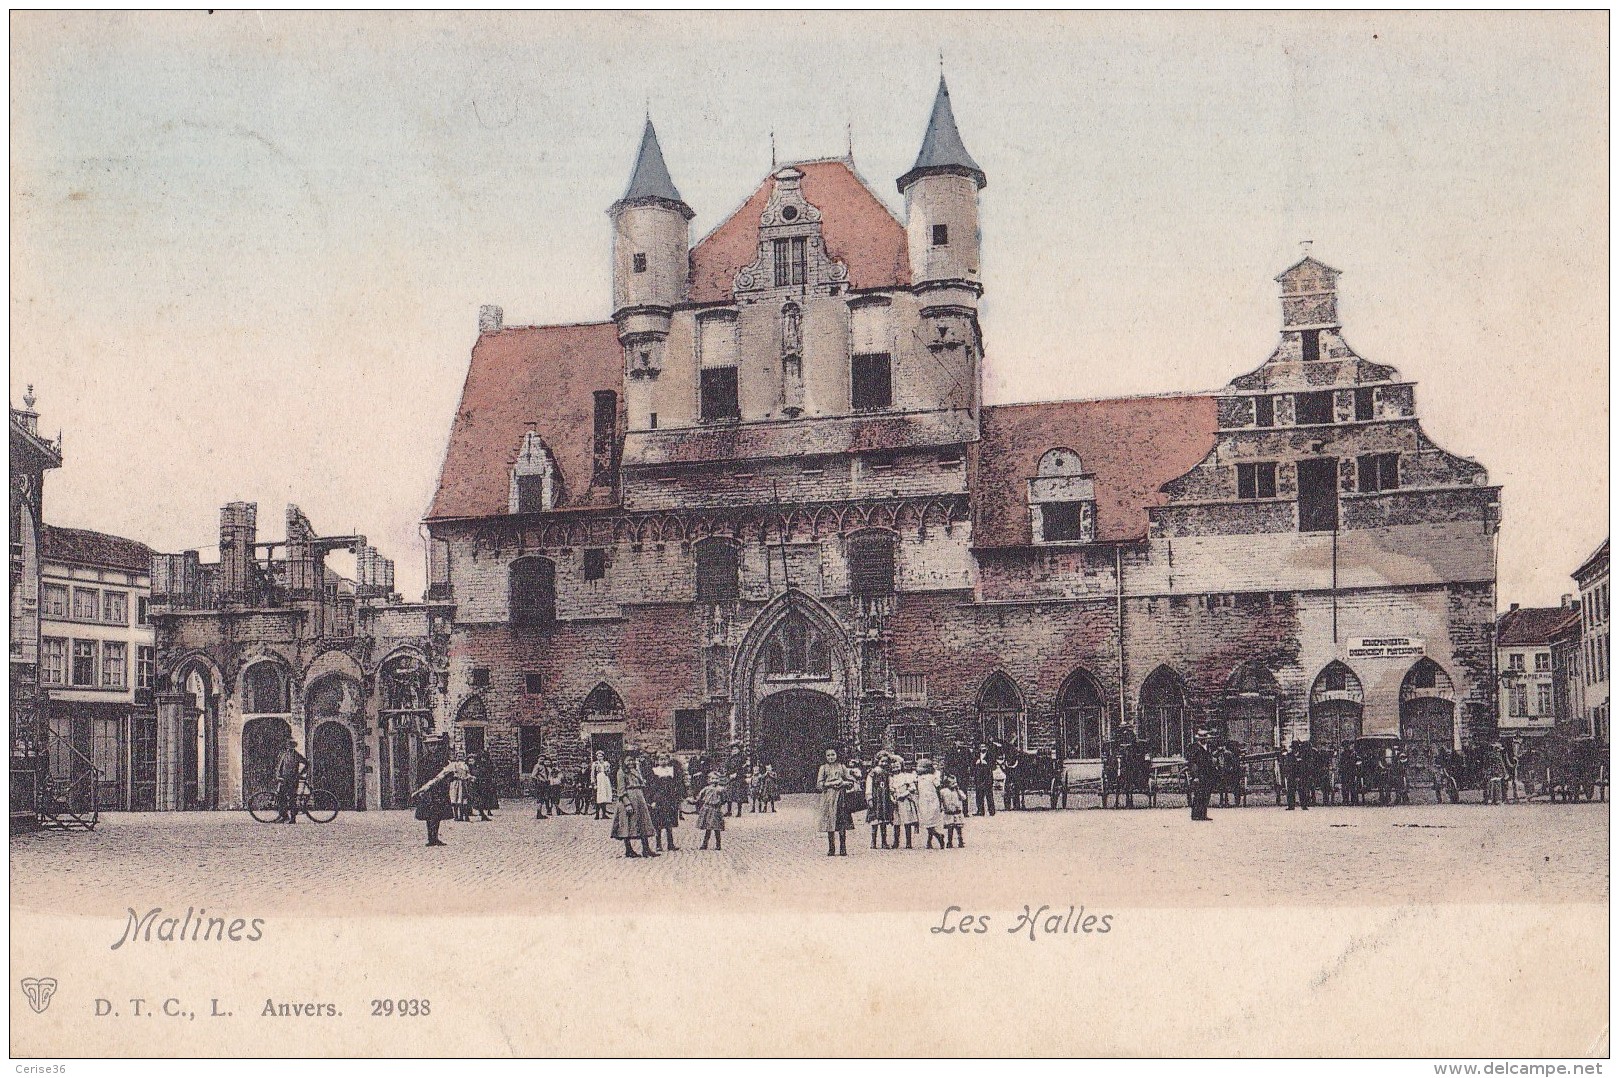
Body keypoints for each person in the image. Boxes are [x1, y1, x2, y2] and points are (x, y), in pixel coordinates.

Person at [611, 745, 659, 858]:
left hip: (639, 800)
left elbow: (642, 785)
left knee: (643, 824)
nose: (631, 762)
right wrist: (627, 804)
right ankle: (628, 850)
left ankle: (646, 849)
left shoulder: (636, 771)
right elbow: (621, 791)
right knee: (627, 825)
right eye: (628, 760)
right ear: (623, 761)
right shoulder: (621, 772)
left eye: (632, 760)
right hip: (628, 801)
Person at [412, 755, 462, 847]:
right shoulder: (423, 761)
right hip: (429, 791)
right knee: (429, 815)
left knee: (437, 815)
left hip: (439, 791)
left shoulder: (443, 760)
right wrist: (422, 788)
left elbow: (449, 775)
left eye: (435, 745)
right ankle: (431, 838)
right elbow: (420, 776)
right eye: (431, 745)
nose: (433, 747)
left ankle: (434, 837)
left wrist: (448, 778)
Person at [815, 748, 856, 856]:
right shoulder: (823, 768)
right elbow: (819, 785)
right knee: (830, 822)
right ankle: (831, 848)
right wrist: (830, 784)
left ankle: (843, 847)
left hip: (841, 797)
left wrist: (844, 782)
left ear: (837, 755)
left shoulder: (842, 767)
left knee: (841, 821)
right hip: (828, 798)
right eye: (828, 755)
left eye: (833, 754)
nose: (831, 757)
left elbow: (850, 781)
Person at [647, 751, 687, 853]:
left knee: (669, 823)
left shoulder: (671, 770)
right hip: (659, 799)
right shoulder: (654, 771)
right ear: (657, 761)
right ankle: (658, 844)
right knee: (659, 823)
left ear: (668, 760)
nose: (663, 761)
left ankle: (670, 844)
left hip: (670, 799)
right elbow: (652, 787)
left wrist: (678, 798)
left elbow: (676, 785)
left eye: (665, 759)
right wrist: (652, 800)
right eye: (661, 759)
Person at [865, 753, 896, 849]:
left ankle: (884, 842)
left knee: (883, 821)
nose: (884, 763)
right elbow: (869, 786)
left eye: (886, 761)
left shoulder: (888, 773)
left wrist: (892, 794)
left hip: (884, 799)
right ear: (877, 761)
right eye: (882, 761)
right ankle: (873, 842)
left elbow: (890, 785)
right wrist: (869, 797)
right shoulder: (872, 773)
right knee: (874, 820)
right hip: (876, 798)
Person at [273, 738, 307, 824]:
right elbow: (280, 766)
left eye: (292, 745)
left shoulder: (297, 755)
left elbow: (307, 763)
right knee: (281, 798)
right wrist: (278, 776)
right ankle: (284, 816)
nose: (290, 746)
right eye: (289, 745)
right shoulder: (284, 754)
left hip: (293, 779)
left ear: (294, 746)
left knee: (292, 799)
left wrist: (300, 773)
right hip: (284, 779)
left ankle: (293, 818)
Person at [1186, 727, 1216, 821]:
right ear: (1199, 739)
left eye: (1205, 738)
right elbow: (1192, 763)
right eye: (1202, 738)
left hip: (1208, 774)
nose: (1204, 740)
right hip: (1199, 774)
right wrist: (1195, 776)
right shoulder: (1194, 748)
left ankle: (1203, 814)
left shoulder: (1208, 747)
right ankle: (1195, 815)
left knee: (1206, 794)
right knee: (1198, 794)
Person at [891, 756, 920, 849]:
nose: (895, 766)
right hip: (895, 802)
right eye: (893, 765)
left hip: (905, 800)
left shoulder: (906, 776)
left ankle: (908, 842)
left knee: (907, 821)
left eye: (897, 764)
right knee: (896, 822)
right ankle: (896, 842)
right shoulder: (890, 778)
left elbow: (912, 788)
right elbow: (889, 790)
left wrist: (903, 795)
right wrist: (892, 798)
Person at [916, 758, 946, 849]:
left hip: (932, 801)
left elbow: (938, 789)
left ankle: (937, 836)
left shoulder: (932, 777)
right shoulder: (919, 778)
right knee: (926, 821)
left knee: (930, 822)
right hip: (923, 801)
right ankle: (930, 841)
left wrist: (941, 801)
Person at [695, 770, 727, 850]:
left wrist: (719, 803)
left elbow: (724, 799)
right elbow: (699, 797)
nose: (714, 781)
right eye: (712, 779)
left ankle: (718, 844)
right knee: (708, 828)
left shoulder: (721, 789)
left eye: (716, 779)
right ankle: (704, 844)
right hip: (708, 809)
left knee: (717, 828)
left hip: (716, 809)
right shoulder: (706, 789)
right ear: (709, 780)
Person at [939, 775, 967, 848]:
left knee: (958, 828)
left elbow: (964, 798)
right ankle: (949, 841)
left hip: (957, 812)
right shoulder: (943, 791)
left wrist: (958, 791)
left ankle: (960, 841)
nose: (954, 785)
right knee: (950, 828)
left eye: (955, 783)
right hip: (948, 812)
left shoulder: (958, 791)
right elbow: (940, 800)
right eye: (952, 783)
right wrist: (941, 807)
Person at [970, 743, 997, 817]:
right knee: (979, 795)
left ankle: (991, 811)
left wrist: (987, 764)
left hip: (987, 777)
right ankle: (980, 811)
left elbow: (994, 766)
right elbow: (972, 766)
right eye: (981, 747)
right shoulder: (976, 755)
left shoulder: (990, 755)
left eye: (984, 747)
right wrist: (976, 763)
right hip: (978, 777)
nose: (982, 748)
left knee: (989, 795)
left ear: (987, 748)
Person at [591, 751, 615, 820]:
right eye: (598, 756)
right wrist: (593, 783)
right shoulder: (595, 764)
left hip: (605, 780)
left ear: (603, 756)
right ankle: (597, 814)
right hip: (599, 780)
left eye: (601, 756)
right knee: (598, 797)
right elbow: (592, 774)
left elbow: (609, 773)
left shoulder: (606, 763)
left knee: (604, 797)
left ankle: (604, 814)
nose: (599, 758)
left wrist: (607, 769)